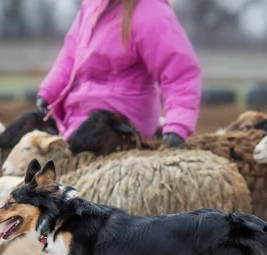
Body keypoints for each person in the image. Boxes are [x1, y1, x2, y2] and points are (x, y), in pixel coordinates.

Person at [36, 0, 202, 148]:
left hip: (122, 122)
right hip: (83, 113)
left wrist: (178, 125)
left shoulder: (151, 12)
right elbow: (71, 55)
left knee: (73, 151)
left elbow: (179, 73)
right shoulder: (92, 5)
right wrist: (49, 92)